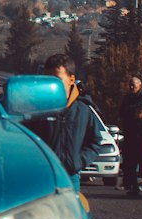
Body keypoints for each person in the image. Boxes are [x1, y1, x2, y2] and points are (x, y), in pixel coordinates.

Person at [28, 52, 102, 195]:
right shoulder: (36, 110)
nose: (51, 84)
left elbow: (95, 140)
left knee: (70, 216)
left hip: (70, 179)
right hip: (41, 178)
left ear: (71, 80)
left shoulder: (83, 110)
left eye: (56, 79)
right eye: (47, 79)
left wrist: (78, 161)